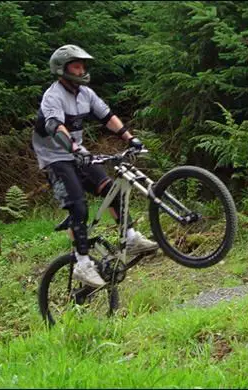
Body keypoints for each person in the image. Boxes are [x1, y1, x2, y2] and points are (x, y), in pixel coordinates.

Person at [32, 44, 159, 288]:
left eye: (83, 66)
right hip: (55, 158)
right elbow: (55, 127)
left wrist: (130, 138)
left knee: (111, 189)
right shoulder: (53, 96)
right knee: (78, 207)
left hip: (79, 153)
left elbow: (107, 116)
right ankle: (82, 263)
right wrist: (74, 149)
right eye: (76, 66)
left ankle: (130, 237)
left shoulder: (85, 93)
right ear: (62, 69)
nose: (81, 70)